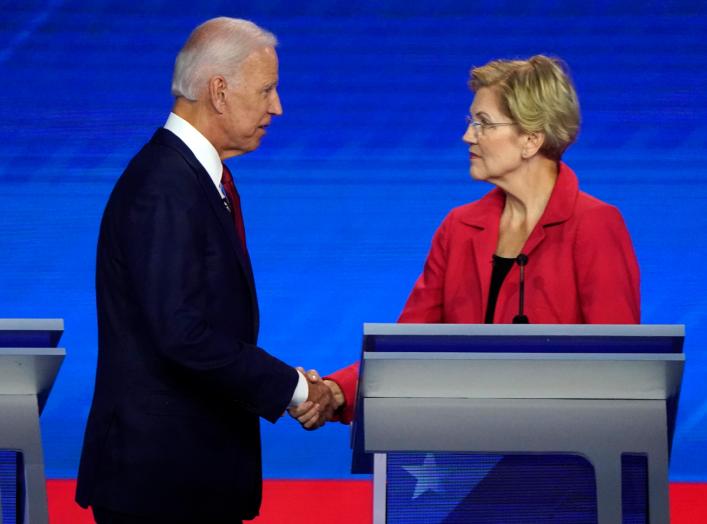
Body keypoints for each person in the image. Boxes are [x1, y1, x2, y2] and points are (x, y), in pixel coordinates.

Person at [76, 17, 334, 524]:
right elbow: (182, 334)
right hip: (160, 490)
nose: (277, 107)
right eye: (267, 90)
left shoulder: (190, 179)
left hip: (188, 481)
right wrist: (295, 389)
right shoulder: (164, 187)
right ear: (219, 92)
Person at [290, 54, 640, 427]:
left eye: (483, 123)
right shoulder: (458, 228)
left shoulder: (594, 226)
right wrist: (336, 391)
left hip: (567, 455)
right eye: (471, 122)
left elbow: (619, 368)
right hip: (468, 451)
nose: (467, 136)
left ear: (531, 140)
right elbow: (410, 344)